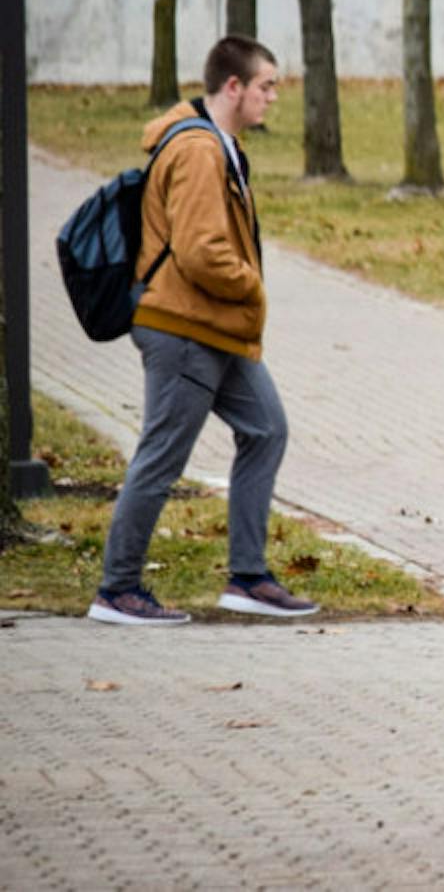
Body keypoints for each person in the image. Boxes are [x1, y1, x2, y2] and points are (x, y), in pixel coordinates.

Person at [91, 36, 315, 625]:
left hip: (215, 327)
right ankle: (117, 589)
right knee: (163, 455)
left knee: (265, 429)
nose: (272, 96)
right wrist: (252, 286)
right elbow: (198, 251)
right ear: (234, 87)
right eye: (265, 85)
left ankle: (248, 578)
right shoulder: (198, 151)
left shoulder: (220, 143)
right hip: (184, 327)